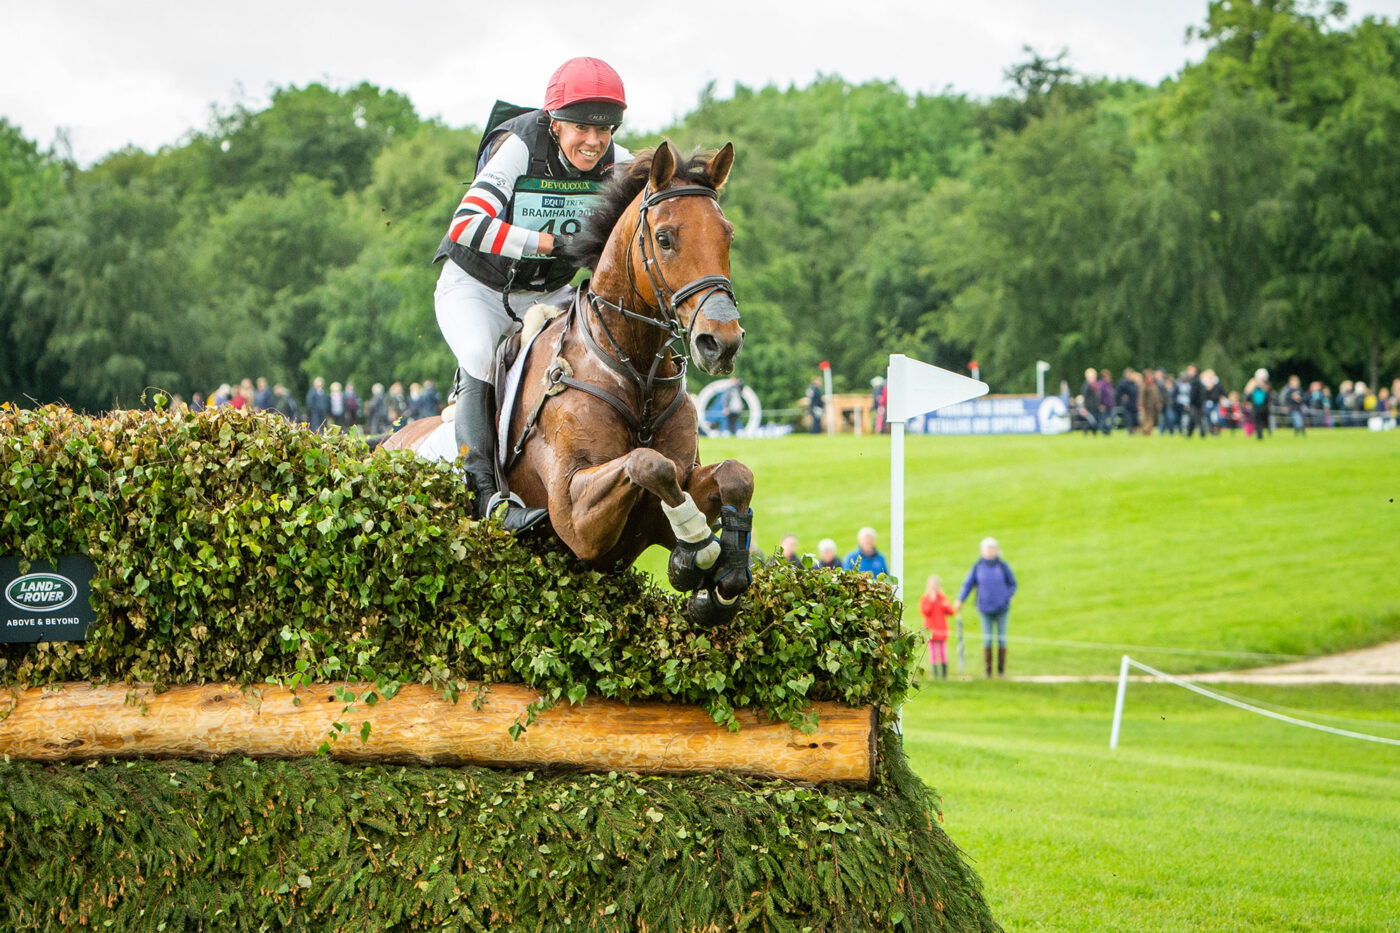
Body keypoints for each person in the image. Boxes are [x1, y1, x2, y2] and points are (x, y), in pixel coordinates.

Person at [432, 57, 632, 532]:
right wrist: (548, 243)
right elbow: (466, 224)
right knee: (480, 353)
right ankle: (486, 497)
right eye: (583, 128)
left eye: (606, 129)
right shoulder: (520, 144)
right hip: (476, 288)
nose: (595, 141)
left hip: (549, 294)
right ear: (555, 121)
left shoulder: (618, 162)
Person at [953, 537, 1017, 678]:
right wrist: (960, 600)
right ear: (982, 551)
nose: (989, 551)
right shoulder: (978, 567)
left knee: (1002, 639)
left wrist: (1005, 598)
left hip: (1002, 609)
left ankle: (1001, 672)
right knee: (987, 639)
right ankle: (988, 672)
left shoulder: (1002, 566)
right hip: (984, 609)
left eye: (992, 548)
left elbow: (1013, 584)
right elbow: (968, 585)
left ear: (996, 550)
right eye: (987, 549)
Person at [919, 575, 956, 680]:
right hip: (930, 630)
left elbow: (950, 611)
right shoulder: (925, 598)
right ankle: (936, 674)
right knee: (934, 652)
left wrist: (946, 605)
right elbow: (925, 611)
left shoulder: (943, 598)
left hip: (941, 629)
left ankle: (944, 675)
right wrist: (932, 600)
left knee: (943, 652)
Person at [1079, 368, 1100, 435]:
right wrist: (1084, 407)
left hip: (1095, 406)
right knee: (1090, 420)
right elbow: (1085, 396)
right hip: (1088, 406)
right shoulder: (1086, 385)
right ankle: (1086, 432)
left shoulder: (1096, 385)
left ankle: (1094, 432)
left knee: (1095, 420)